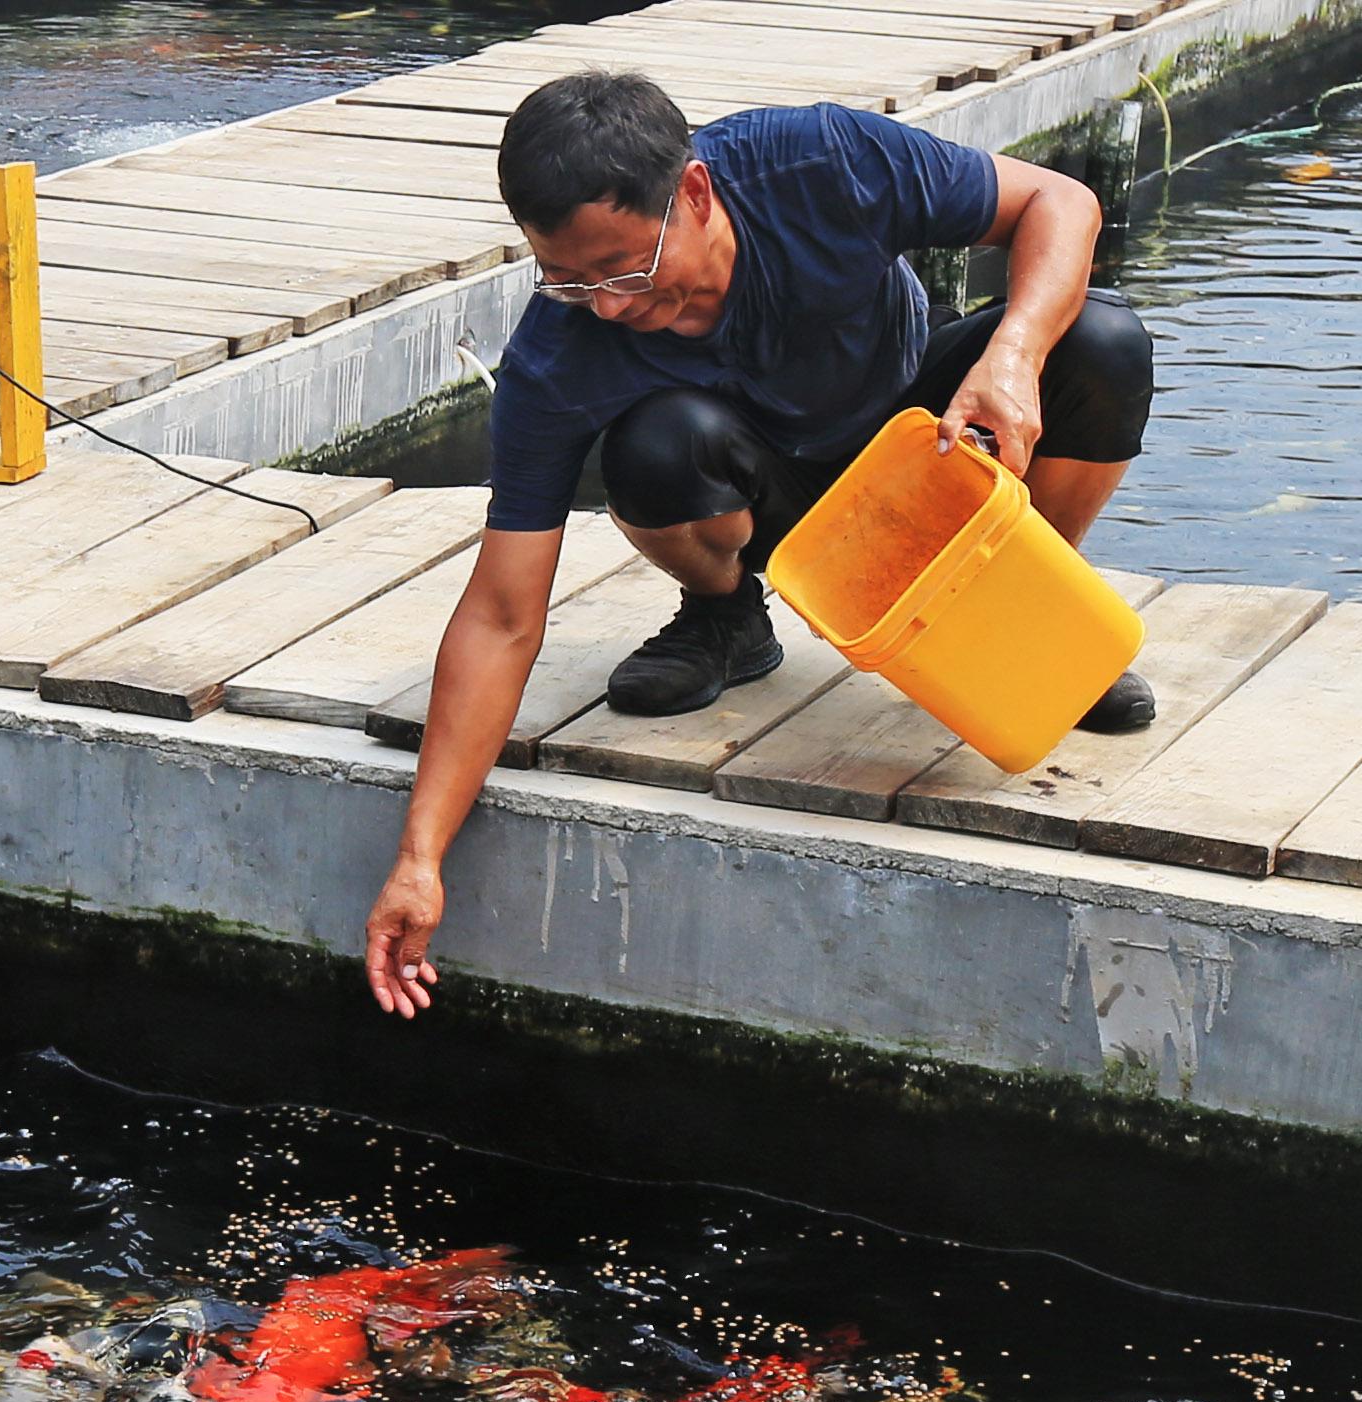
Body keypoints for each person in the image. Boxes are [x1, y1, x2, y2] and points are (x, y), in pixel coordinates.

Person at [361, 70, 1157, 1019]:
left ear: (694, 193)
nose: (603, 304)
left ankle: (1026, 603)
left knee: (1104, 340)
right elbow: (500, 617)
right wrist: (419, 860)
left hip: (919, 441)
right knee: (651, 446)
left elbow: (1059, 201)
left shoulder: (818, 162)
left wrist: (1014, 355)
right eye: (567, 278)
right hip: (765, 495)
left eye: (620, 267)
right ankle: (727, 617)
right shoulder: (558, 355)